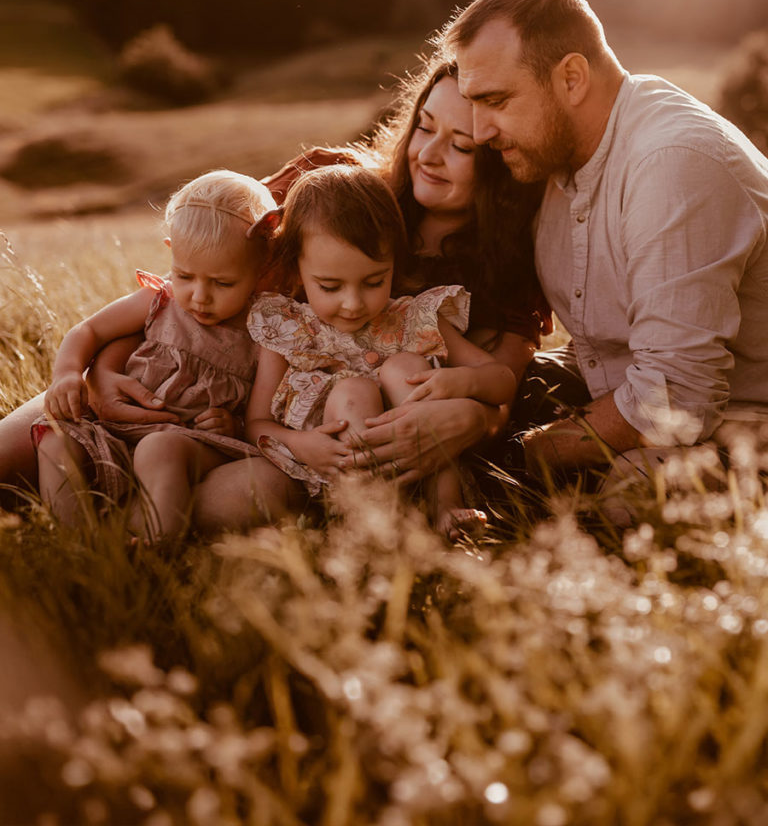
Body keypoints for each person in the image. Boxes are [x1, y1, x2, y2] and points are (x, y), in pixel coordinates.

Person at [0, 60, 549, 526]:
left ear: (501, 156)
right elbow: (198, 276)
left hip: (254, 438)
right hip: (169, 384)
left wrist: (475, 420)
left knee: (186, 505)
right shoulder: (326, 185)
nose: (428, 154)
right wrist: (105, 367)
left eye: (462, 145)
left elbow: (499, 385)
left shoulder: (503, 268)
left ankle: (117, 536)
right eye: (425, 127)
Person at [438, 0, 768, 498]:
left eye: (496, 102)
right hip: (631, 397)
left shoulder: (671, 163)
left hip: (742, 425)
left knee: (632, 497)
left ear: (572, 78)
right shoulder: (557, 155)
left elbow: (677, 396)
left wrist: (520, 453)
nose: (480, 132)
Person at [246, 163, 517, 537]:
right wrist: (299, 443)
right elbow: (256, 423)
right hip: (338, 477)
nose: (353, 303)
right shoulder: (288, 330)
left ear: (394, 263)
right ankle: (374, 521)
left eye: (374, 281)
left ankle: (446, 507)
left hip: (424, 458)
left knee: (404, 366)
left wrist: (460, 382)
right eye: (330, 286)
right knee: (352, 391)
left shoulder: (414, 319)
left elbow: (502, 380)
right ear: (297, 270)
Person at [34, 169, 299, 540]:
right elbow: (88, 330)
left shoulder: (264, 331)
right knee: (55, 440)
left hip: (192, 441)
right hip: (117, 431)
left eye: (223, 283)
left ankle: (157, 544)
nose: (199, 296)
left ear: (262, 269)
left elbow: (263, 415)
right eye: (185, 275)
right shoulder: (158, 299)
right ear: (171, 254)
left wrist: (232, 424)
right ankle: (77, 543)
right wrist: (67, 373)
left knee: (161, 448)